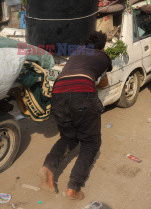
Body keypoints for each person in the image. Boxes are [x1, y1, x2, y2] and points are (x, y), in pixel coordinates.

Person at [39, 31, 112, 200]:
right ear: (102, 46)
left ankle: (48, 168)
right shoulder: (103, 56)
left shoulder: (76, 52)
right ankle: (74, 187)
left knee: (68, 137)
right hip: (82, 93)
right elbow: (103, 81)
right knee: (90, 142)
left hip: (58, 93)